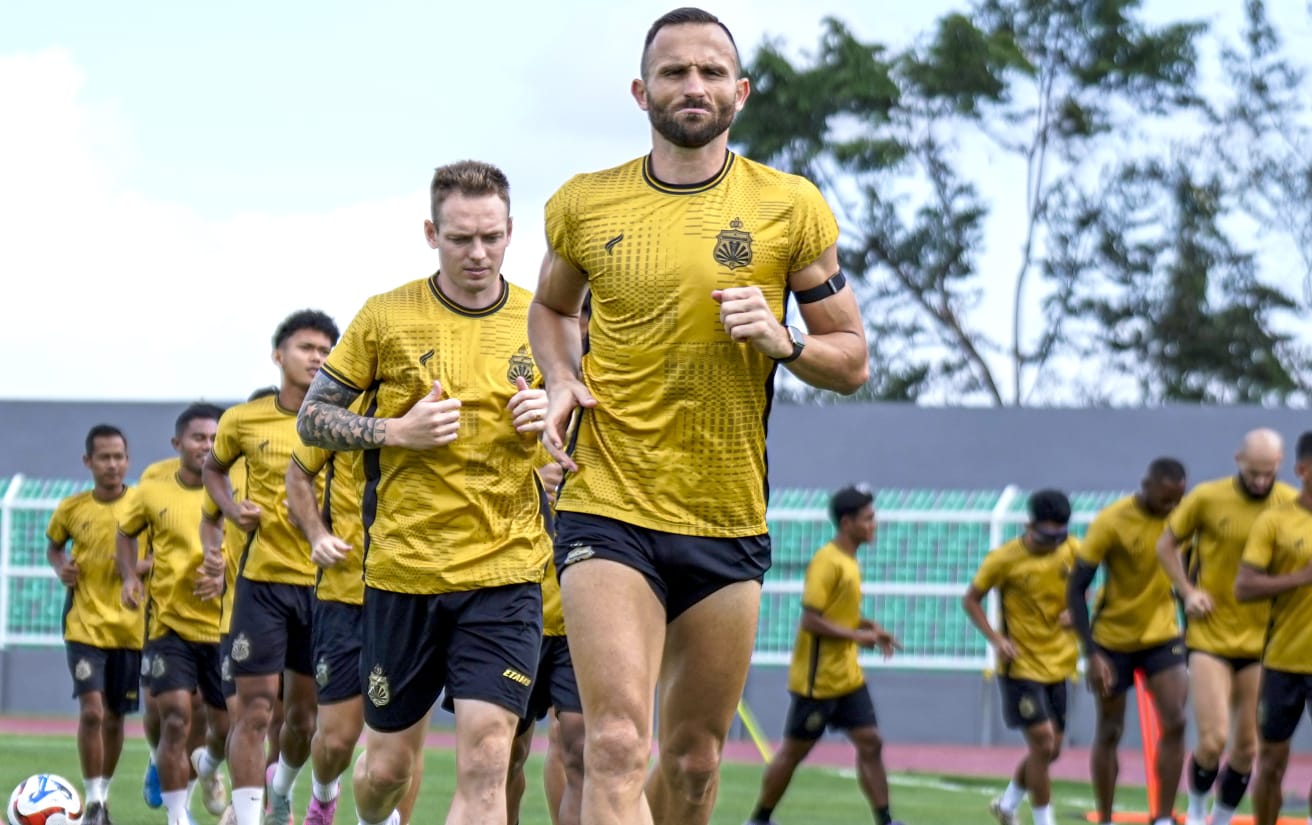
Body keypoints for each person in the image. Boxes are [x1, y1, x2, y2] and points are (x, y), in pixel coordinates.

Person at [528, 8, 868, 824]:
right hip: (607, 502)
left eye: (712, 71)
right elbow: (548, 307)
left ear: (740, 92)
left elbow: (852, 358)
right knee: (613, 741)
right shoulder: (585, 203)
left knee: (692, 763)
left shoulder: (790, 207)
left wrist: (783, 337)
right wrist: (560, 376)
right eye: (676, 71)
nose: (694, 85)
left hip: (725, 512)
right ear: (642, 90)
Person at [296, 159, 552, 825]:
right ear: (431, 232)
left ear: (511, 231)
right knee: (385, 770)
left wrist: (553, 412)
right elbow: (312, 418)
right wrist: (395, 429)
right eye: (461, 237)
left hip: (506, 574)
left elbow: (588, 416)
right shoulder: (386, 316)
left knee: (489, 755)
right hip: (403, 578)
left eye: (492, 237)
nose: (478, 252)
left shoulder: (542, 318)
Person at [203, 311, 340, 825]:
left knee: (302, 720)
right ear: (279, 354)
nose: (317, 358)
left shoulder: (340, 421)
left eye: (327, 350)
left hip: (324, 589)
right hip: (262, 585)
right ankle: (246, 815)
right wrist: (233, 507)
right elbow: (212, 469)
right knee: (254, 710)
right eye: (307, 347)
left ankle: (281, 787)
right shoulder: (245, 419)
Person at [1155, 429, 1295, 825]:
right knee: (1213, 739)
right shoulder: (1207, 497)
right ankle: (1196, 806)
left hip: (1263, 643)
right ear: (1238, 460)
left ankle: (1221, 819)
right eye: (1254, 473)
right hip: (1210, 638)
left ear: (1280, 466)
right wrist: (1186, 590)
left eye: (1269, 473)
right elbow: (1165, 545)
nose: (1261, 481)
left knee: (1247, 749)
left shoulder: (1291, 505)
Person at [285, 429, 424, 825]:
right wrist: (316, 534)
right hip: (344, 595)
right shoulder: (337, 411)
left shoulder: (431, 400)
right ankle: (323, 797)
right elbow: (295, 477)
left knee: (402, 752)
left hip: (411, 594)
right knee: (337, 739)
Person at [744, 485, 900, 825]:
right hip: (818, 682)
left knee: (871, 742)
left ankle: (886, 820)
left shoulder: (849, 560)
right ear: (847, 523)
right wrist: (860, 636)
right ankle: (759, 819)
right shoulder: (827, 561)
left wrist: (869, 626)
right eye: (869, 519)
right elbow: (812, 620)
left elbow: (836, 613)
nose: (875, 524)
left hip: (847, 677)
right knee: (794, 752)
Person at [118, 404, 229, 825]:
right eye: (200, 437)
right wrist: (130, 577)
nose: (208, 445)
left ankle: (208, 767)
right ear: (177, 444)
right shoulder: (152, 490)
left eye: (216, 438)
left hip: (223, 624)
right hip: (168, 624)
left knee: (223, 727)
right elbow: (125, 533)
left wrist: (224, 577)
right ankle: (178, 817)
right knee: (176, 717)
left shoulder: (238, 488)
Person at [1066, 458, 1189, 825]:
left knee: (1177, 722)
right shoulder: (1112, 520)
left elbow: (1188, 575)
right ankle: (1104, 817)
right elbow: (1076, 589)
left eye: (1177, 500)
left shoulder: (1183, 519)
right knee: (1110, 729)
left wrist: (1193, 632)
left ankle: (1163, 817)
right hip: (1112, 641)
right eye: (1165, 499)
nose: (1171, 508)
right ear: (1145, 485)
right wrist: (1091, 653)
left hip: (1161, 635)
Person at [46, 424, 146, 825]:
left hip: (130, 627)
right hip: (84, 626)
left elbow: (164, 553)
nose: (112, 464)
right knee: (92, 711)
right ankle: (93, 802)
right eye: (103, 457)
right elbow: (54, 546)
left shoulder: (143, 505)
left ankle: (103, 795)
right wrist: (61, 567)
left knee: (116, 717)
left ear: (128, 459)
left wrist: (135, 570)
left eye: (119, 456)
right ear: (88, 462)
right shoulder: (71, 509)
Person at [964, 490, 1079, 825]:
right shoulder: (1004, 559)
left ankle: (1008, 803)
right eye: (1047, 535)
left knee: (1050, 750)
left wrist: (1078, 610)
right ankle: (1044, 822)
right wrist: (996, 638)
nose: (1055, 541)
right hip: (1021, 666)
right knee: (1043, 743)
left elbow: (1089, 589)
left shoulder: (1073, 550)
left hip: (1060, 662)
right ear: (1029, 525)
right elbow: (971, 599)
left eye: (1061, 534)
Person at [1235, 431, 1312, 825]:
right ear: (1302, 469)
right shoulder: (1276, 521)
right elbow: (1244, 586)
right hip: (1284, 662)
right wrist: (1300, 578)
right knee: (1270, 763)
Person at [506, 461, 585, 825]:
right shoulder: (510, 409)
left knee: (578, 746)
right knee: (505, 755)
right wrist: (531, 477)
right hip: (515, 611)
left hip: (581, 613)